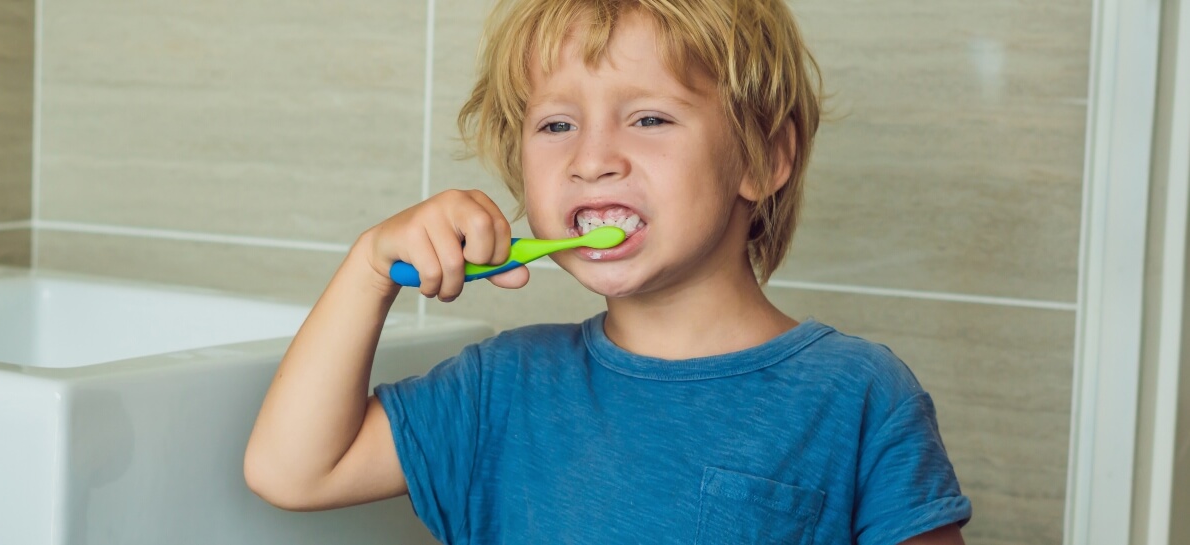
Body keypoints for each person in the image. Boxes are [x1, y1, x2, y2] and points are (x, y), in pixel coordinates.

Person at [244, 0, 972, 542]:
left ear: (760, 158)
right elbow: (294, 469)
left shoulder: (855, 395)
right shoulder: (504, 386)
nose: (591, 158)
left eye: (648, 118)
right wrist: (368, 268)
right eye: (555, 125)